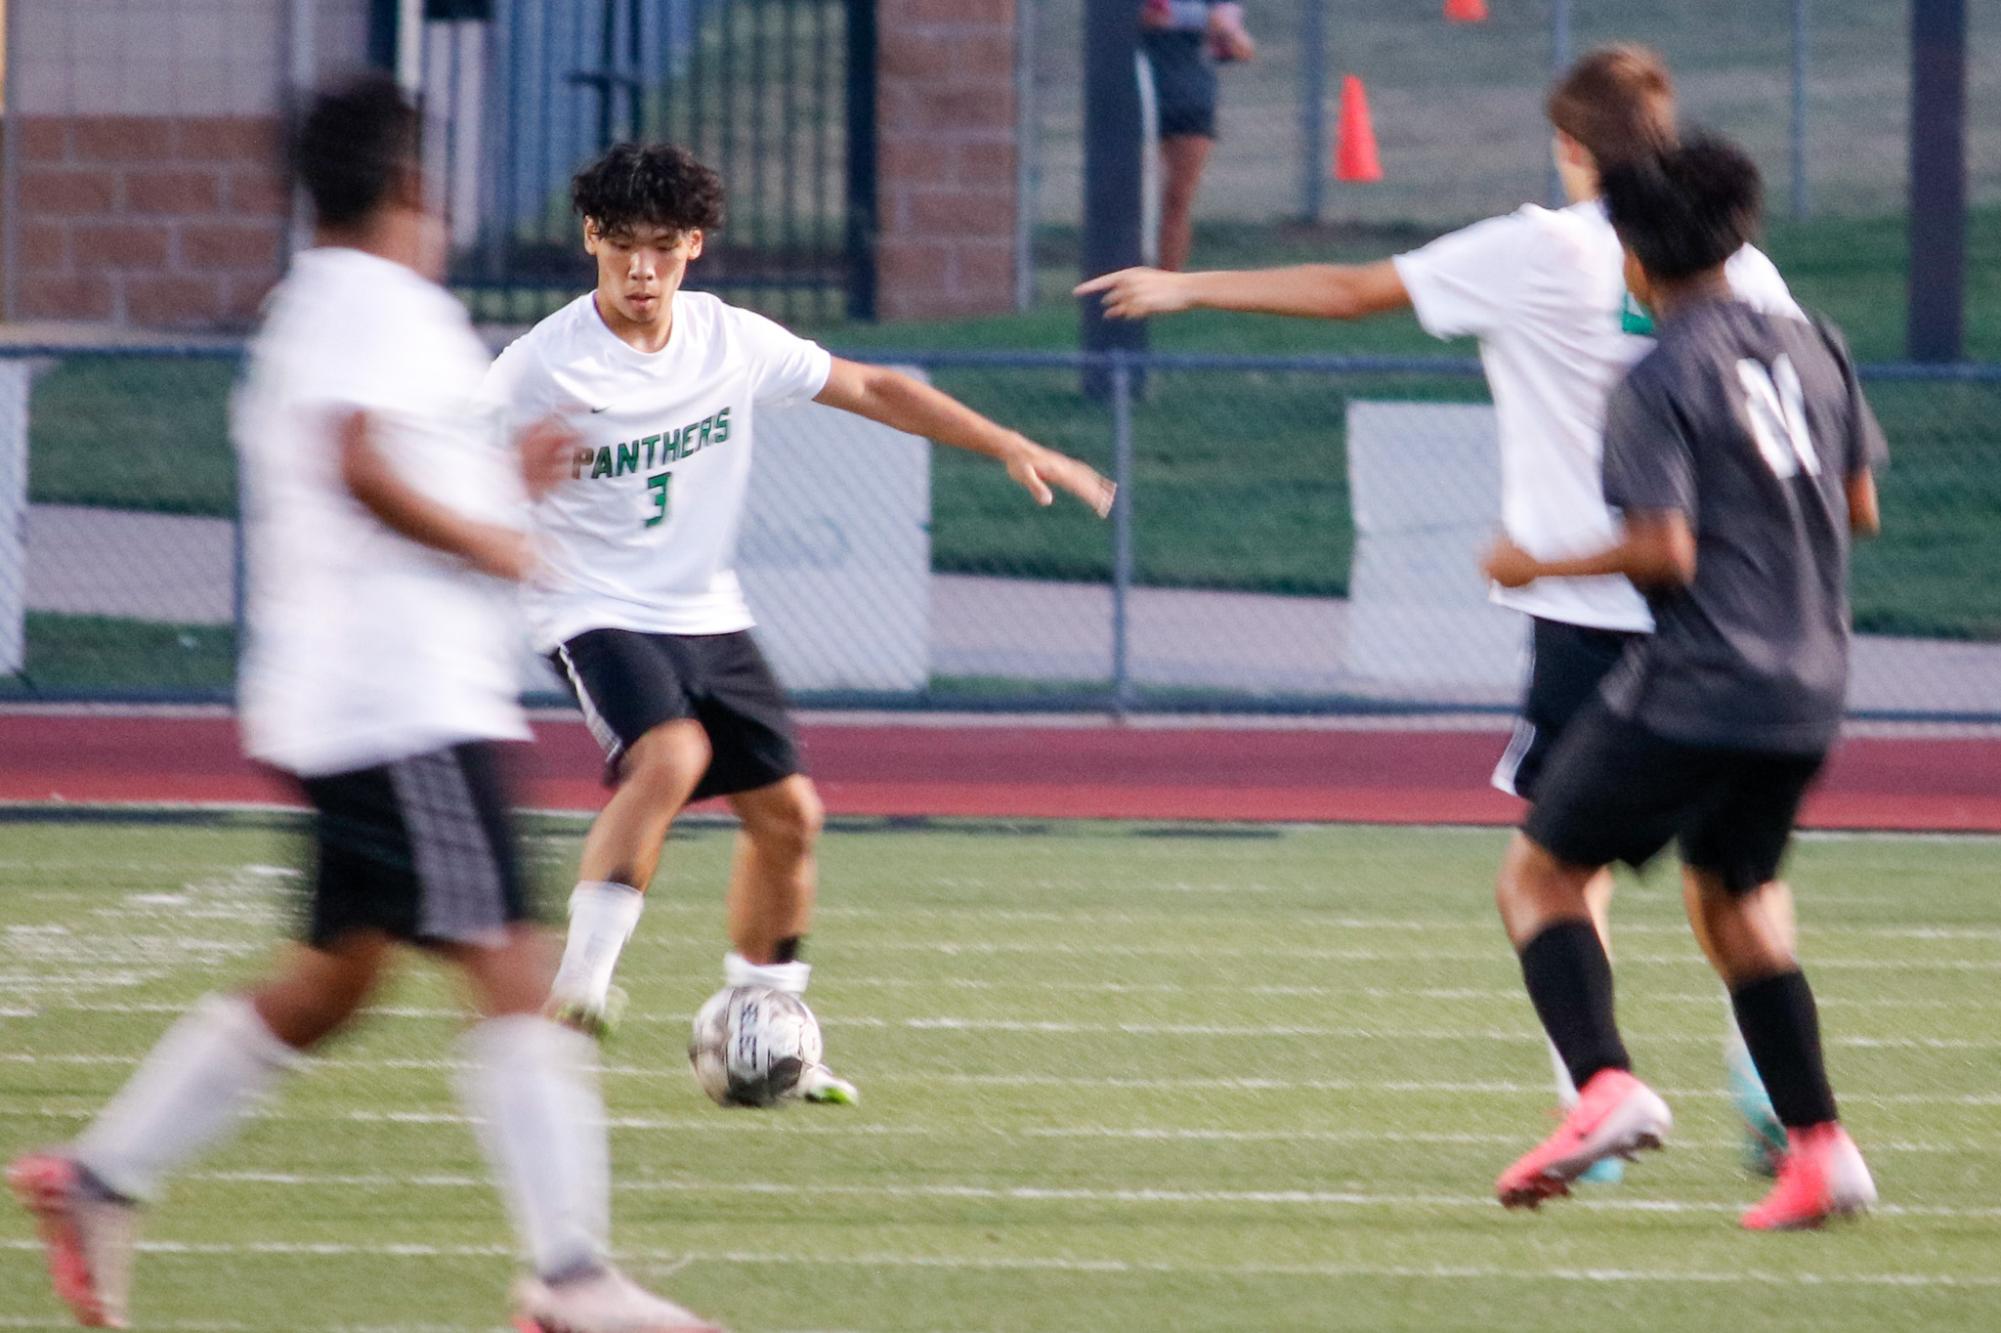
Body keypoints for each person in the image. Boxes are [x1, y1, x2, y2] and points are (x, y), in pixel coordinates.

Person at [6, 76, 717, 1332]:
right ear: (411, 186)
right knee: (510, 959)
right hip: (402, 705)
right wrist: (498, 543)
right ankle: (569, 1277)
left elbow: (387, 461)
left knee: (331, 982)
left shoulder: (329, 305)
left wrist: (507, 484)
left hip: (350, 701)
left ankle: (99, 1179)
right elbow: (356, 464)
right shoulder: (373, 303)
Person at [1075, 44, 1800, 1179]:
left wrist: (1187, 284)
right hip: (1726, 609)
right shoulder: (1742, 267)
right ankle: (1771, 1092)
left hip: (1591, 603)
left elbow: (1348, 289)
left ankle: (1592, 1103)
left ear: (1568, 146)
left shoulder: (1541, 246)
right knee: (1738, 873)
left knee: (1563, 863)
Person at [482, 142, 1115, 1088]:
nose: (641, 270)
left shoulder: (726, 338)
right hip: (590, 604)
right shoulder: (538, 368)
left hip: (704, 609)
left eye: (661, 247)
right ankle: (578, 987)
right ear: (589, 240)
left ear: (694, 244)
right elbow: (442, 472)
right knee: (674, 756)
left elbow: (870, 385)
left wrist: (1004, 442)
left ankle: (768, 1031)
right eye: (621, 247)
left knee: (790, 819)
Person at [1479, 132, 1884, 1228]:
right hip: (1812, 678)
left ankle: (1606, 1086)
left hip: (1705, 674)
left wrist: (1538, 561)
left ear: (1634, 257)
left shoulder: (1658, 376)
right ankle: (1821, 1149)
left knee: (1540, 875)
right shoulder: (1819, 345)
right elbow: (1859, 509)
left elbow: (1664, 555)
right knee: (1736, 902)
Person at [1139, 0, 1256, 271]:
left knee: (1177, 200)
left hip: (1190, 95)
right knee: (1132, 199)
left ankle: (1166, 286)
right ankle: (1121, 281)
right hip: (1137, 86)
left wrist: (1224, 32)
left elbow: (1242, 49)